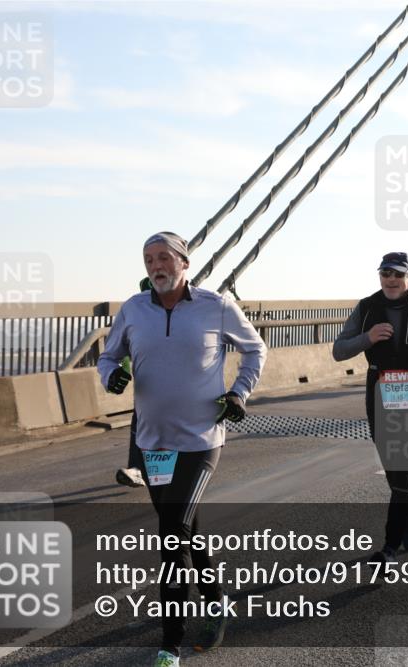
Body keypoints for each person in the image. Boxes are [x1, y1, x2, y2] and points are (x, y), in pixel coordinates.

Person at [98, 232, 267, 667]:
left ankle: (169, 641)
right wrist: (110, 375)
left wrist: (239, 393)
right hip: (153, 441)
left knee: (172, 533)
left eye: (164, 258)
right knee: (186, 529)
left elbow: (255, 349)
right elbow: (106, 356)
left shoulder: (216, 306)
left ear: (183, 263)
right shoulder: (133, 309)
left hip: (200, 439)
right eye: (149, 259)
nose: (156, 265)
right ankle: (216, 602)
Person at [332, 252, 408, 569]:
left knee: (403, 465)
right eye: (385, 273)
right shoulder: (367, 306)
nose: (391, 279)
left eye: (398, 274)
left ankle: (388, 548)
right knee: (393, 468)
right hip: (380, 391)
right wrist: (367, 337)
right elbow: (338, 350)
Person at [116, 277, 154, 488]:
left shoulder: (188, 312)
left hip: (181, 392)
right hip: (148, 389)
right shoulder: (135, 315)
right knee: (140, 420)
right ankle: (137, 469)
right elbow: (122, 347)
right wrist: (122, 371)